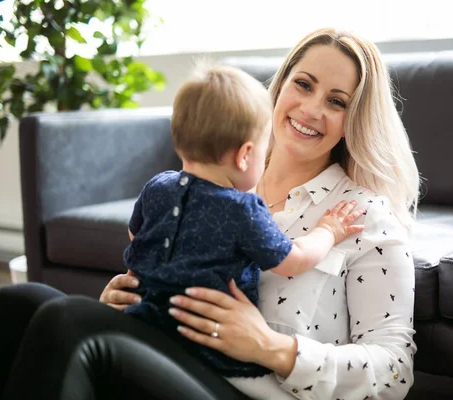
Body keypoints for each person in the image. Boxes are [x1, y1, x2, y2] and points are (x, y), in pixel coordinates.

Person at [0, 27, 419, 400]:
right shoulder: (221, 181)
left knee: (69, 321)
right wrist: (123, 306)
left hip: (248, 388)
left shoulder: (362, 215)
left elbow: (394, 370)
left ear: (355, 119)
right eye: (303, 84)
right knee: (22, 302)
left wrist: (271, 347)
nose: (311, 109)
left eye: (337, 101)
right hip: (170, 352)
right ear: (281, 85)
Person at [122, 63, 364, 378]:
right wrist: (328, 231)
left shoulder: (158, 185)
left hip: (142, 329)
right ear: (246, 154)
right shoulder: (243, 209)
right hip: (207, 354)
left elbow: (135, 234)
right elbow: (293, 260)